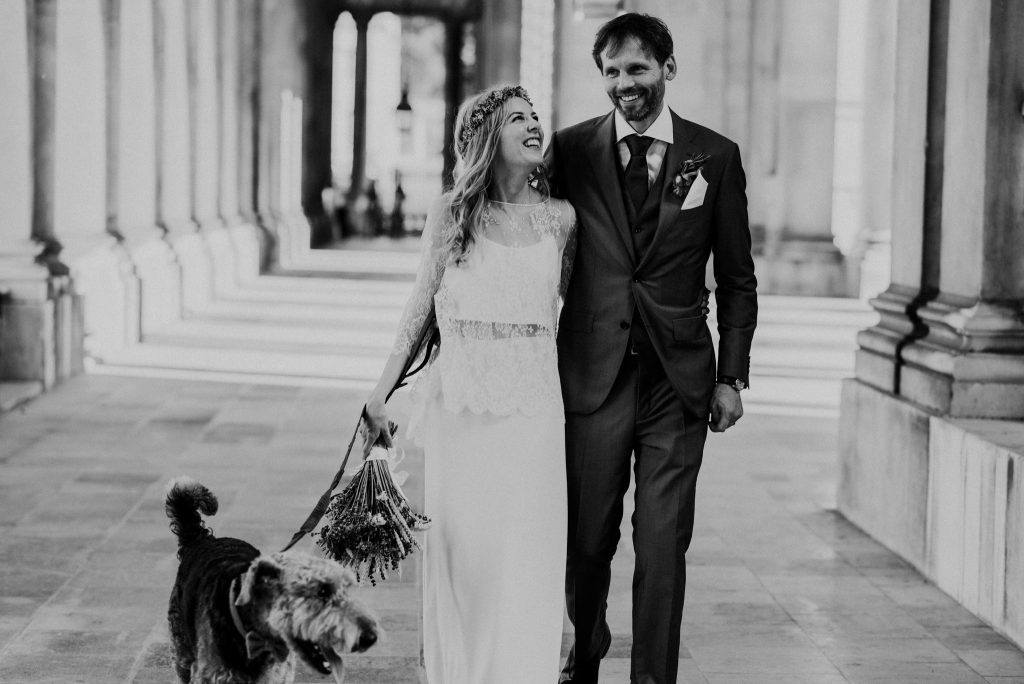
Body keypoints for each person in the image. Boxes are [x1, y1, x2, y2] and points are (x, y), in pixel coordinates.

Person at [544, 13, 757, 684]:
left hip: (679, 381)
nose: (622, 84)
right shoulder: (570, 150)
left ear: (668, 68)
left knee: (663, 545)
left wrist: (732, 377)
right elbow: (531, 240)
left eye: (636, 69)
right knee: (587, 542)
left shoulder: (713, 157)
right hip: (591, 378)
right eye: (610, 72)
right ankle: (583, 657)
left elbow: (737, 277)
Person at [363, 85, 577, 684]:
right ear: (486, 139)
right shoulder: (450, 213)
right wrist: (380, 392)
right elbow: (417, 310)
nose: (535, 125)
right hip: (462, 412)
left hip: (536, 412)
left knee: (530, 555)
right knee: (467, 562)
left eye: (536, 116)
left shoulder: (561, 218)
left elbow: (582, 315)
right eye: (517, 118)